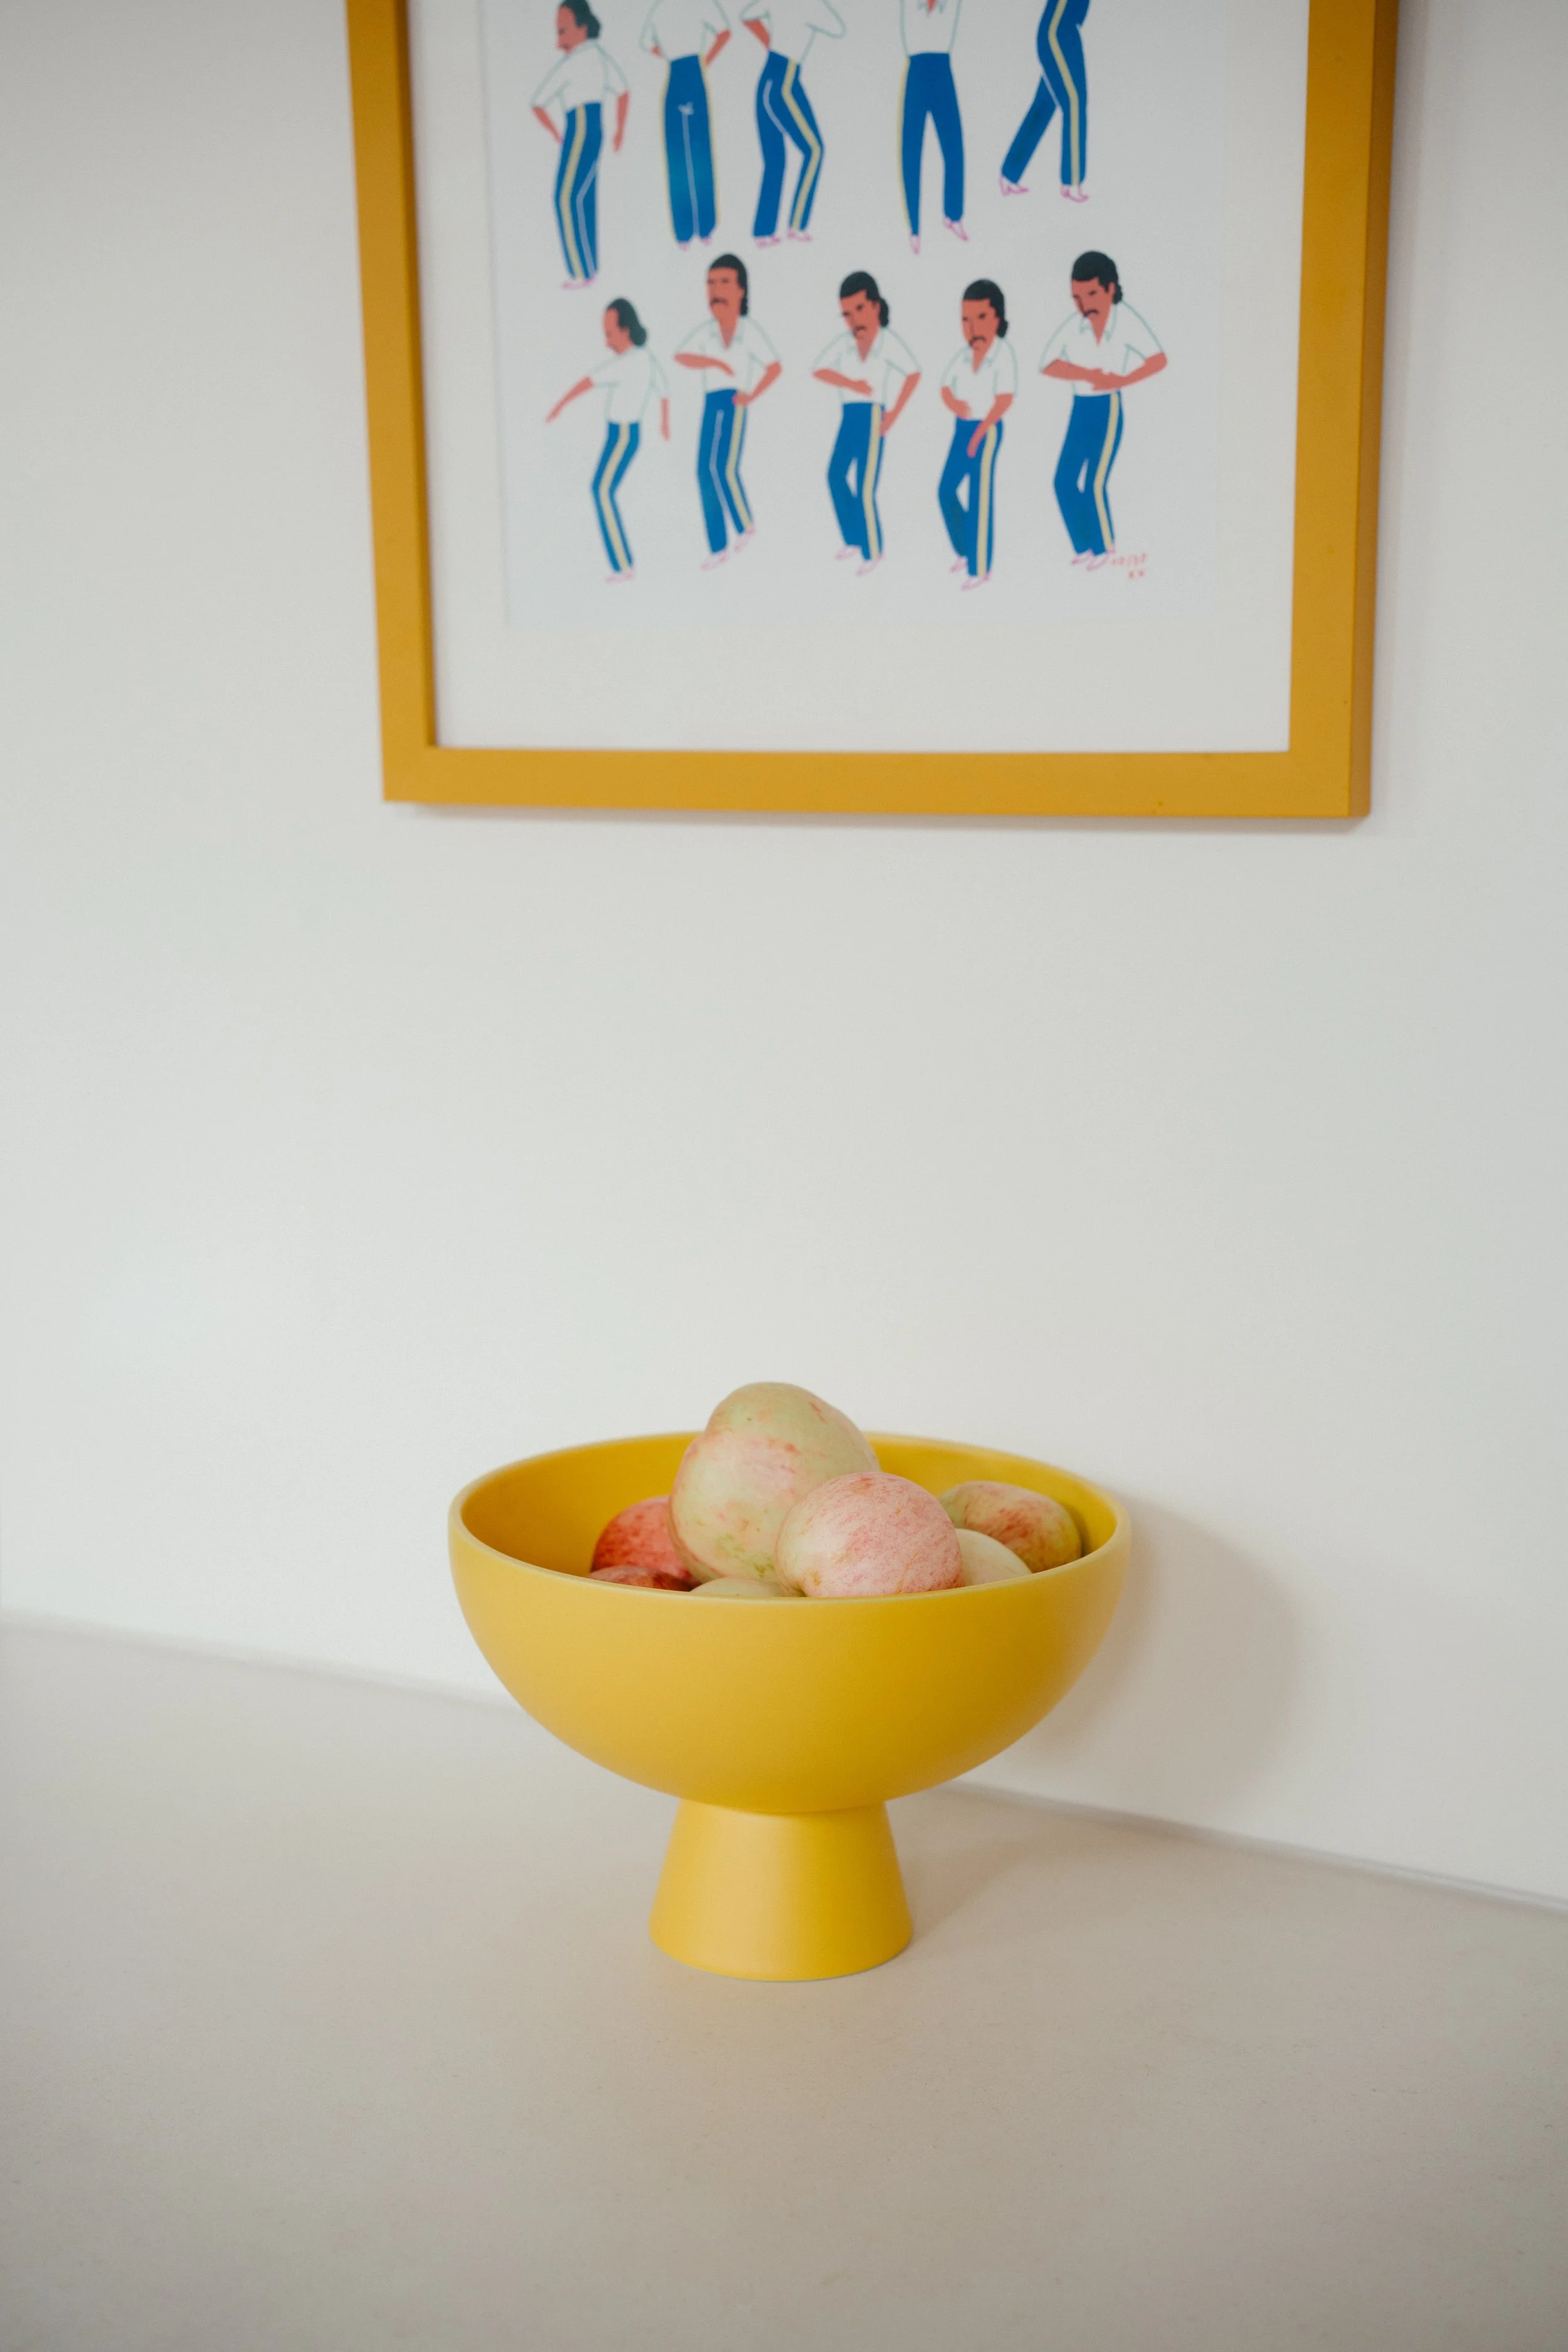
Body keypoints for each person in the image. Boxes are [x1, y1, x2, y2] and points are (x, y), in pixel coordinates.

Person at [1039, 251, 1166, 567]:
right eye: (1077, 298)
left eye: (1092, 294)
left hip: (1108, 407)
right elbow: (1048, 364)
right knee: (1063, 481)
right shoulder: (1075, 326)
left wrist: (1122, 379)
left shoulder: (1127, 320)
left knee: (1095, 483)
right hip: (1080, 408)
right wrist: (1086, 373)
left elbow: (1158, 359)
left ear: (1110, 289)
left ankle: (1104, 548)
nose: (1085, 305)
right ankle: (1083, 545)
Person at [546, 299, 671, 582]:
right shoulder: (646, 358)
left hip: (624, 435)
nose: (606, 343)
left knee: (602, 491)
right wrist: (664, 421)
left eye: (610, 334)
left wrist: (560, 406)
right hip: (619, 434)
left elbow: (587, 383)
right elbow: (663, 390)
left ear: (625, 331)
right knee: (601, 490)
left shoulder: (630, 363)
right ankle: (623, 565)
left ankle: (624, 566)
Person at [675, 255, 781, 568]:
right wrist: (714, 362)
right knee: (702, 471)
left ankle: (745, 525)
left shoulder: (749, 331)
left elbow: (774, 367)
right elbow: (682, 356)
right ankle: (718, 546)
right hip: (711, 403)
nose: (715, 291)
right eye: (710, 284)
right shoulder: (706, 332)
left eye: (724, 283)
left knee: (725, 467)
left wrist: (752, 396)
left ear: (741, 290)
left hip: (735, 402)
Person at [812, 272, 921, 573]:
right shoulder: (844, 344)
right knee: (834, 475)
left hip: (873, 416)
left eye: (860, 309)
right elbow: (819, 370)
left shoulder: (888, 342)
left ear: (876, 306)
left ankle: (873, 552)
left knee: (865, 487)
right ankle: (853, 538)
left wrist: (893, 415)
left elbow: (913, 374)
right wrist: (851, 383)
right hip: (849, 415)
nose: (854, 320)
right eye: (847, 314)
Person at [532, 0, 630, 288]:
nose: (558, 42)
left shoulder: (576, 61)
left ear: (582, 28)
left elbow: (538, 102)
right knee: (583, 198)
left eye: (563, 32)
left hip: (581, 128)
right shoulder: (597, 56)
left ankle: (581, 271)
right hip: (592, 127)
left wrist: (556, 133)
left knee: (565, 198)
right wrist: (619, 129)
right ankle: (589, 269)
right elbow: (623, 91)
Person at [740, 0, 844, 245]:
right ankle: (797, 225)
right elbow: (836, 27)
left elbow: (747, 15)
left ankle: (763, 232)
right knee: (815, 150)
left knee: (775, 160)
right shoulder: (814, 6)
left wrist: (772, 42)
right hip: (785, 80)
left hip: (768, 74)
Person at [938, 279, 1015, 589]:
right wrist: (954, 404)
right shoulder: (962, 357)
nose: (973, 329)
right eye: (965, 320)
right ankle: (966, 550)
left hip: (988, 428)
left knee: (979, 498)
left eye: (981, 318)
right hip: (963, 427)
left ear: (998, 319)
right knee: (946, 490)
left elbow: (1004, 400)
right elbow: (945, 387)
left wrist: (981, 432)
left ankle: (980, 569)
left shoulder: (1002, 354)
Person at [640, 0, 732, 248]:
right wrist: (673, 55)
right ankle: (685, 231)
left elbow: (724, 33)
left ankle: (703, 228)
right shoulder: (660, 8)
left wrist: (705, 61)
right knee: (679, 157)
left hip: (690, 72)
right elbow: (646, 42)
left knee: (698, 154)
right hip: (679, 74)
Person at [1000, 0, 1091, 204]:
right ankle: (1072, 180)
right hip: (1057, 33)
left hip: (1068, 33)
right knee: (1074, 102)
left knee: (1045, 104)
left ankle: (1010, 174)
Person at [899, 0, 966, 253]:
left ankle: (953, 216)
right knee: (911, 152)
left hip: (942, 67)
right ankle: (914, 229)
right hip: (917, 68)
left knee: (954, 148)